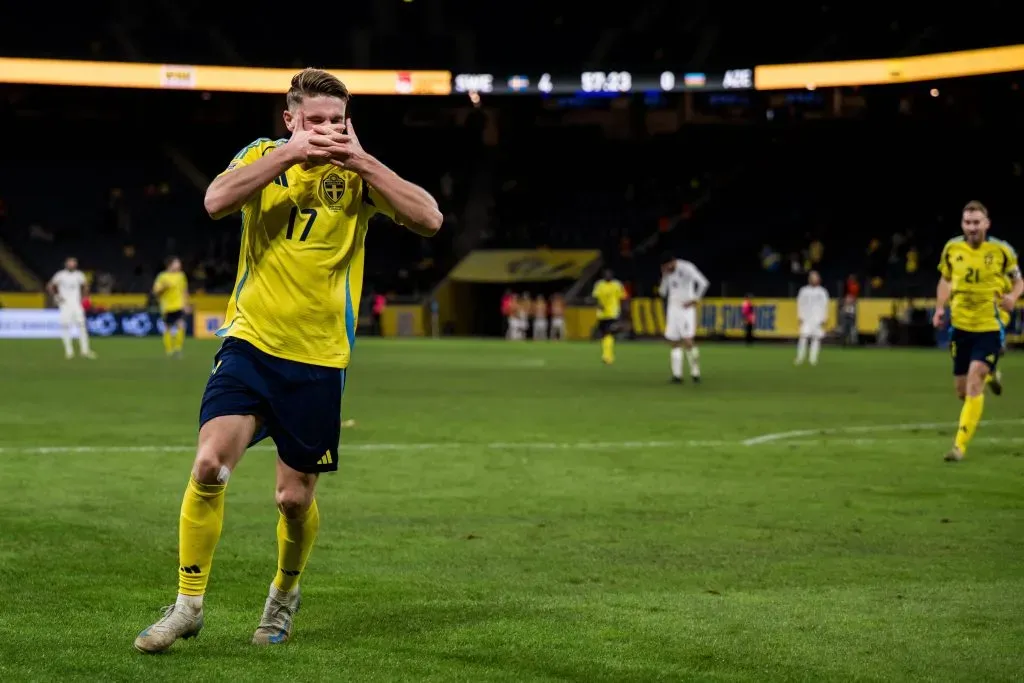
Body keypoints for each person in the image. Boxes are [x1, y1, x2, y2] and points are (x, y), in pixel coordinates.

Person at [134, 68, 442, 653]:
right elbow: (215, 201)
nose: (326, 129)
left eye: (336, 120)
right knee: (209, 466)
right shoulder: (262, 155)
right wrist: (289, 155)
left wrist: (363, 162)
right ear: (290, 119)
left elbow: (430, 219)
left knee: (293, 500)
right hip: (250, 343)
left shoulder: (358, 176)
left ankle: (283, 594)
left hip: (319, 359)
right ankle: (187, 605)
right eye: (315, 120)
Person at [932, 201, 1021, 462]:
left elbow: (1018, 280)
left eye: (976, 222)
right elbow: (945, 279)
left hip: (990, 325)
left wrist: (1013, 297)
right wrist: (939, 308)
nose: (972, 227)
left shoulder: (1002, 250)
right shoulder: (952, 249)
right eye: (967, 222)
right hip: (960, 326)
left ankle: (958, 447)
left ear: (986, 224)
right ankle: (991, 373)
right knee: (962, 391)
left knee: (974, 381)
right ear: (962, 225)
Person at [659, 252, 708, 383]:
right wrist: (664, 276)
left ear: (673, 261)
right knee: (674, 341)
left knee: (687, 340)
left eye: (668, 266)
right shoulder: (667, 273)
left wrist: (695, 300)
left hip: (686, 309)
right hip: (673, 309)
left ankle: (695, 372)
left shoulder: (687, 268)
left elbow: (703, 283)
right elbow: (662, 292)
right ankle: (677, 375)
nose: (667, 268)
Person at [47, 256, 95, 360]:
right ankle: (69, 351)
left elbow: (85, 286)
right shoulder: (60, 275)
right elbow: (50, 286)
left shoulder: (79, 275)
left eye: (73, 263)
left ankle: (85, 351)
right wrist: (56, 297)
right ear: (66, 264)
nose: (72, 265)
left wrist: (85, 297)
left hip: (77, 304)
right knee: (65, 327)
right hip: (65, 305)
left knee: (82, 326)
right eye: (70, 263)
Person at [153, 256, 190, 358]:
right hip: (167, 306)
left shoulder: (181, 276)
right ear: (170, 264)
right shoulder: (162, 276)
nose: (179, 265)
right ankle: (169, 350)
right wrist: (164, 287)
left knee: (181, 325)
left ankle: (178, 348)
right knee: (167, 328)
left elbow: (184, 290)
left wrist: (186, 304)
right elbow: (156, 291)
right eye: (177, 263)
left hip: (178, 305)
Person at [592, 269, 626, 364]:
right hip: (601, 314)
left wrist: (623, 313)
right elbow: (595, 297)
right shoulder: (599, 284)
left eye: (609, 274)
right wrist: (598, 305)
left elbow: (622, 298)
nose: (608, 276)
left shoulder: (617, 285)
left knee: (608, 333)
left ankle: (607, 356)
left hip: (613, 313)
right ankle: (606, 354)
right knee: (604, 335)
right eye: (606, 274)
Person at [795, 271, 830, 365]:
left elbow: (825, 305)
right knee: (803, 337)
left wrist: (824, 318)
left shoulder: (822, 291)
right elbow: (800, 303)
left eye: (816, 278)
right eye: (813, 278)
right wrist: (800, 316)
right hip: (806, 318)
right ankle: (800, 357)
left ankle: (813, 358)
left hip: (818, 318)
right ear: (809, 279)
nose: (814, 280)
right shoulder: (803, 290)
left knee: (816, 338)